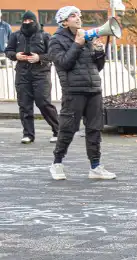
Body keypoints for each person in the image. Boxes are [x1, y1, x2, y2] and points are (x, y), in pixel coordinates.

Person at [47, 5, 115, 181]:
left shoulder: (85, 38)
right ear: (63, 21)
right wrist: (77, 44)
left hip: (93, 89)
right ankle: (57, 163)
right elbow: (64, 63)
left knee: (94, 129)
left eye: (79, 15)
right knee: (68, 129)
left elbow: (96, 68)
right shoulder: (56, 40)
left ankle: (95, 167)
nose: (78, 18)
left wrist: (99, 53)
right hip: (73, 91)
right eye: (73, 15)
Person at [5, 10, 59, 145]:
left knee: (43, 103)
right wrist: (15, 56)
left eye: (30, 21)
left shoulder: (45, 35)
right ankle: (28, 134)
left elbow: (53, 54)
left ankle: (58, 130)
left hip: (41, 73)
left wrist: (39, 58)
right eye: (25, 21)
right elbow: (8, 51)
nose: (27, 23)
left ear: (35, 21)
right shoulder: (15, 35)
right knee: (24, 105)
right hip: (22, 73)